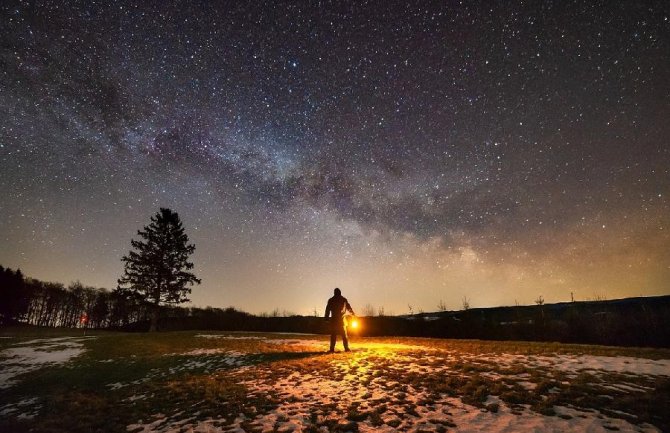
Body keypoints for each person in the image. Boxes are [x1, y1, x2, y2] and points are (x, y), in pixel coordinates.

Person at [324, 287, 355, 352]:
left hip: (335, 320)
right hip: (341, 320)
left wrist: (326, 318)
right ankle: (346, 348)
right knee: (344, 335)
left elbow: (327, 310)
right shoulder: (343, 299)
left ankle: (332, 349)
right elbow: (348, 307)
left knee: (334, 335)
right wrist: (353, 314)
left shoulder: (331, 300)